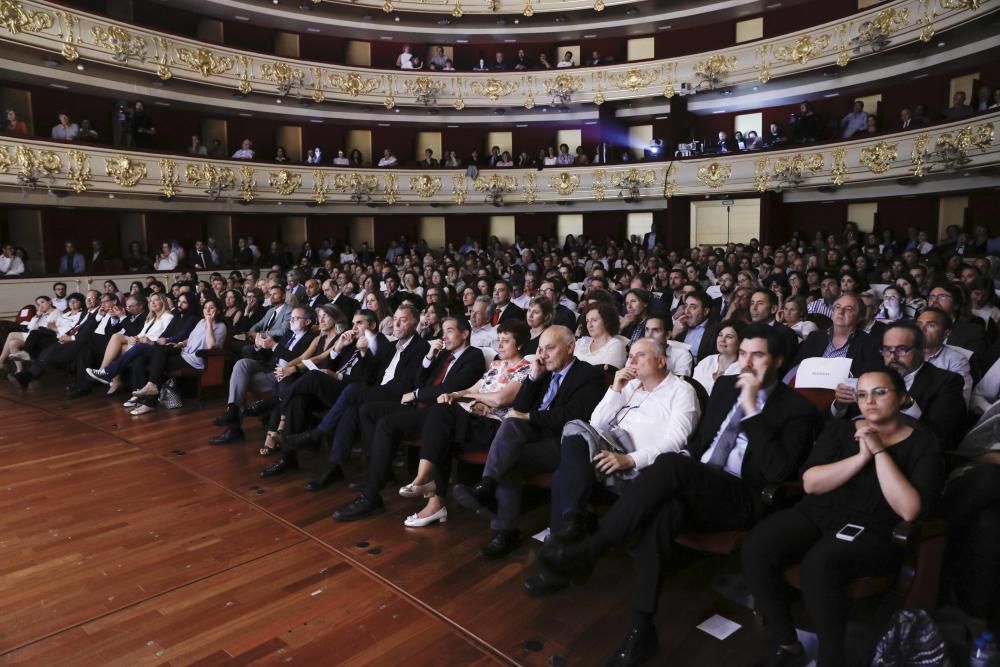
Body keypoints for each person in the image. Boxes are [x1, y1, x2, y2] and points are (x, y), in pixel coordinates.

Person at [539, 324, 820, 667]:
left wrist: (753, 411)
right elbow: (702, 444)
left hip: (744, 497)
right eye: (743, 354)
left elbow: (777, 472)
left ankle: (592, 548)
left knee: (671, 462)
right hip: (700, 480)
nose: (746, 363)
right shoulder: (726, 387)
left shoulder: (799, 410)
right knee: (663, 513)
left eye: (757, 355)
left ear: (777, 360)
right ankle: (641, 631)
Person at [742, 369, 944, 667]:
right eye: (862, 394)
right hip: (821, 512)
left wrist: (877, 452)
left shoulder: (924, 443)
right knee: (758, 545)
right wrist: (860, 457)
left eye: (880, 392)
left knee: (820, 564)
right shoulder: (840, 430)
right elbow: (811, 483)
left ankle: (831, 659)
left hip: (875, 528)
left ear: (902, 397)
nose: (869, 401)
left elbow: (909, 510)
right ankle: (787, 642)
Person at [454, 325, 607, 553]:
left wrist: (529, 416)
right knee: (511, 428)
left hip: (560, 443)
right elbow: (518, 408)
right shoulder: (542, 373)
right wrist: (533, 379)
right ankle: (494, 501)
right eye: (541, 349)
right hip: (531, 436)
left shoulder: (589, 374)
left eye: (550, 349)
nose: (543, 355)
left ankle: (500, 518)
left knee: (508, 457)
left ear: (570, 347)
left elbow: (574, 415)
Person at [331, 317, 487, 522]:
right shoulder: (444, 355)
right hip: (421, 408)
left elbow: (450, 388)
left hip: (440, 414)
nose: (444, 336)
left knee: (387, 424)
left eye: (450, 331)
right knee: (369, 410)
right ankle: (380, 471)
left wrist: (417, 394)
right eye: (444, 331)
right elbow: (419, 379)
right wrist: (429, 358)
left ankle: (371, 495)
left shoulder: (474, 356)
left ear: (465, 334)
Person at [400, 319, 531, 528]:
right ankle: (431, 495)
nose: (500, 345)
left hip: (496, 427)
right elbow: (473, 388)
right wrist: (453, 394)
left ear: (520, 345)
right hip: (475, 419)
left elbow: (500, 399)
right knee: (441, 421)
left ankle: (428, 488)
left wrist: (474, 400)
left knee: (441, 421)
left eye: (506, 341)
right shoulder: (496, 365)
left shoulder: (526, 368)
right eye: (499, 340)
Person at [125, 299, 228, 415]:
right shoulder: (201, 322)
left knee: (160, 364)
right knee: (161, 349)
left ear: (218, 311)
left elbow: (211, 346)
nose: (208, 310)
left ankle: (149, 402)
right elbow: (191, 338)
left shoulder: (221, 326)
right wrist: (180, 344)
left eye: (211, 307)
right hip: (185, 352)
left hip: (196, 360)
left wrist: (209, 323)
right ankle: (151, 388)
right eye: (205, 308)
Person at [692, 319, 744, 395]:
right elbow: (693, 389)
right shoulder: (707, 361)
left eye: (729, 337)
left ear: (740, 342)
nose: (722, 340)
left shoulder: (742, 369)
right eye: (720, 335)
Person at [574, 302, 627, 369]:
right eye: (587, 321)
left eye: (594, 320)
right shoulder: (582, 342)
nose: (589, 325)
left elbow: (608, 376)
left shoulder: (616, 345)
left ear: (606, 321)